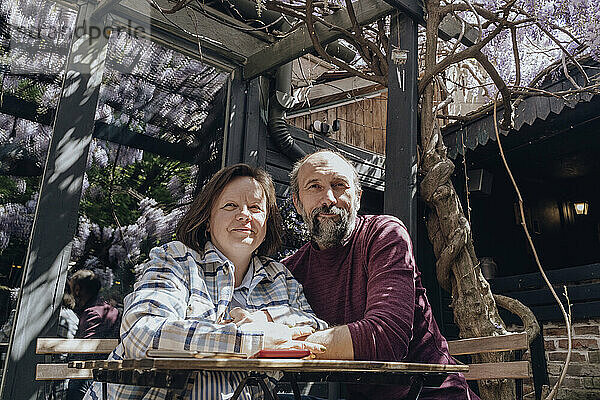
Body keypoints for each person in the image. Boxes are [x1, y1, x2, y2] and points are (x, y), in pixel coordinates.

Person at [83, 164, 327, 400]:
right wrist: (252, 338)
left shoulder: (279, 277)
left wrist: (268, 318)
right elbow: (142, 332)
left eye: (255, 208)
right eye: (230, 206)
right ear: (208, 221)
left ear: (266, 224)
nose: (244, 215)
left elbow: (318, 329)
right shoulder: (177, 259)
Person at [283, 150, 479, 400]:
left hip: (432, 394)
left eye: (339, 185)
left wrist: (285, 345)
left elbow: (386, 336)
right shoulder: (291, 270)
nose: (328, 199)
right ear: (298, 203)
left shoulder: (384, 234)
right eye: (314, 187)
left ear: (357, 198)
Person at [67, 270, 121, 400]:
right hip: (106, 376)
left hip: (87, 376)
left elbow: (84, 350)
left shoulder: (92, 313)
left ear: (77, 289)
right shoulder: (112, 310)